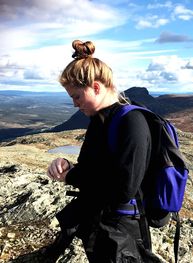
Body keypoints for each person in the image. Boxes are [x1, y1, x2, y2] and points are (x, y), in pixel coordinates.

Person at [45, 40, 161, 263]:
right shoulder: (99, 120)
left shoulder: (132, 122)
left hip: (123, 229)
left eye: (76, 96)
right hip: (100, 221)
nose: (74, 104)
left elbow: (123, 189)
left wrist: (72, 176)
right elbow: (94, 168)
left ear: (96, 87)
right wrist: (68, 166)